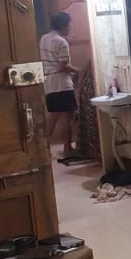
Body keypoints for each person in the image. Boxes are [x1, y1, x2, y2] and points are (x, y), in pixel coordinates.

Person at [41, 12, 84, 164]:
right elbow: (62, 66)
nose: (70, 28)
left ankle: (46, 149)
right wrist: (79, 71)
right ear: (63, 25)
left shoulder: (44, 38)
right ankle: (66, 149)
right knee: (68, 117)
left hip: (49, 83)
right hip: (61, 84)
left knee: (54, 117)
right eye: (69, 25)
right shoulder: (61, 42)